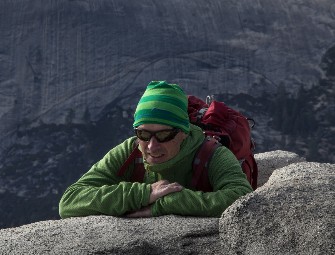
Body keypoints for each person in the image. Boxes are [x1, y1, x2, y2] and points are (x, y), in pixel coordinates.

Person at [59, 81, 253, 218]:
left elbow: (242, 197)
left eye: (163, 135)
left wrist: (165, 203)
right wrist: (143, 194)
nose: (151, 146)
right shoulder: (130, 151)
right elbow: (70, 200)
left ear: (183, 133)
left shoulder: (211, 153)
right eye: (143, 134)